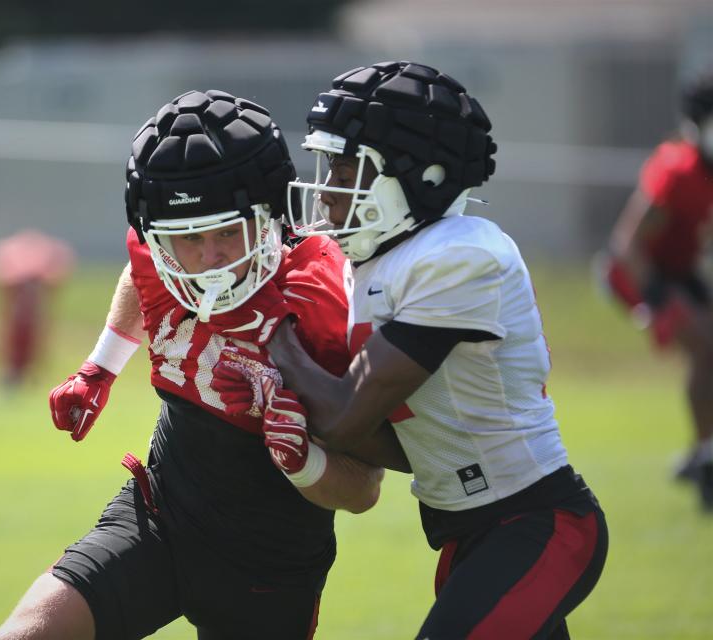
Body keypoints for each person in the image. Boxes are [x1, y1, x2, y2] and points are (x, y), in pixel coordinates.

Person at [214, 61, 609, 639]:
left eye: (347, 168)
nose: (327, 188)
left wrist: (275, 339)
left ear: (417, 176)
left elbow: (348, 415)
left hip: (536, 524)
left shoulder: (459, 256)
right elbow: (406, 443)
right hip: (470, 532)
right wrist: (294, 420)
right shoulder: (378, 262)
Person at [0, 90, 400, 640]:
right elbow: (146, 267)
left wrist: (303, 459)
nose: (209, 258)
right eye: (188, 237)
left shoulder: (323, 296)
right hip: (158, 517)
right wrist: (101, 366)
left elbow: (365, 488)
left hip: (272, 566)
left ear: (270, 216)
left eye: (228, 232)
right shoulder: (161, 250)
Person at [603, 72, 713, 510]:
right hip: (639, 274)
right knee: (707, 349)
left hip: (682, 273)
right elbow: (628, 245)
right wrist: (656, 300)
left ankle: (699, 453)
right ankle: (705, 458)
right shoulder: (678, 168)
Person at [0, 229, 76, 388]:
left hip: (32, 309)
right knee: (13, 332)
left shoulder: (45, 258)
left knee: (33, 332)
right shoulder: (11, 257)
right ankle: (12, 371)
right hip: (18, 308)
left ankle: (28, 371)